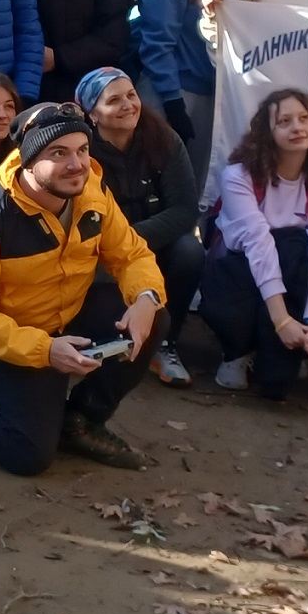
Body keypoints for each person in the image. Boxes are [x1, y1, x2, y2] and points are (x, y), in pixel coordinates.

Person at [0, 101, 164, 474]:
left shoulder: (93, 193)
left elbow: (132, 255)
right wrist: (45, 350)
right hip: (17, 337)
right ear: (28, 160)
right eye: (59, 153)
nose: (77, 164)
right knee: (29, 454)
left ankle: (80, 422)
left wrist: (146, 300)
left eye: (83, 150)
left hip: (71, 315)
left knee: (153, 317)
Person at [203, 89, 308, 401]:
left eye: (304, 119)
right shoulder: (238, 176)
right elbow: (257, 241)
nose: (297, 127)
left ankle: (284, 352)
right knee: (280, 245)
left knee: (298, 250)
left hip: (287, 280)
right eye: (284, 121)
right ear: (267, 133)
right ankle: (236, 351)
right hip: (235, 275)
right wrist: (282, 322)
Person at [79, 66, 201, 389]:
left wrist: (130, 240)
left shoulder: (164, 139)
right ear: (92, 114)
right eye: (114, 100)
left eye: (132, 95)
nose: (128, 105)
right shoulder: (81, 152)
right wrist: (118, 247)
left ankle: (165, 343)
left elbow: (185, 210)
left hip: (154, 245)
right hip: (99, 255)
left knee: (190, 251)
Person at [133, 0, 230, 183]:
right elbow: (157, 46)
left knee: (198, 188)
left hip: (210, 94)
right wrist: (174, 104)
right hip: (171, 95)